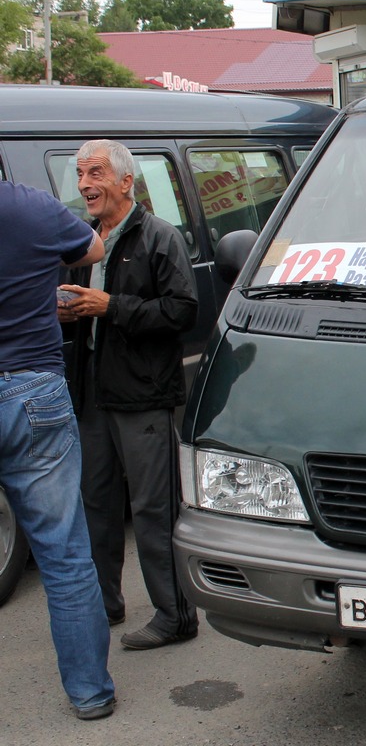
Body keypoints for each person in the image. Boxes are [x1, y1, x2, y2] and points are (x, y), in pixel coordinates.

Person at [57, 139, 200, 651]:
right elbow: (80, 304)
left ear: (124, 181)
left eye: (94, 173)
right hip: (93, 392)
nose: (83, 185)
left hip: (144, 396)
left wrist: (111, 306)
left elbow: (183, 311)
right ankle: (106, 602)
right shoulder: (83, 240)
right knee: (95, 502)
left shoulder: (159, 237)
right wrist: (69, 312)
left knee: (153, 508)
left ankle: (175, 615)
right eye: (79, 174)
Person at [0, 179, 117, 720]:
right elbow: (92, 249)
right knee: (65, 555)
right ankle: (91, 693)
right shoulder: (29, 204)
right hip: (33, 390)